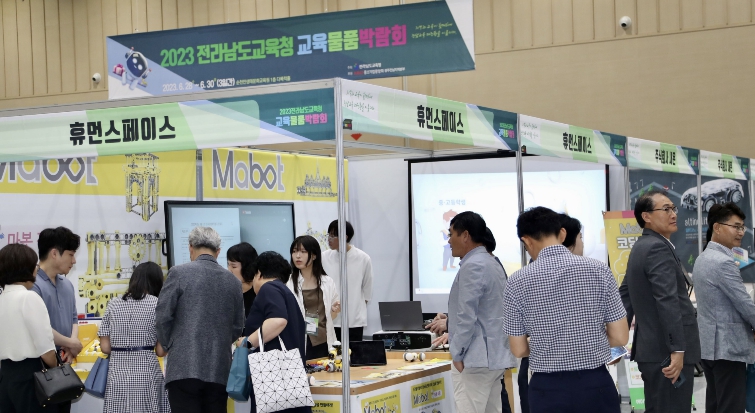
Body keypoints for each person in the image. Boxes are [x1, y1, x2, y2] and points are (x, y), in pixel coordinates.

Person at [504, 207, 627, 413]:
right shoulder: (600, 270)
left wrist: (549, 344)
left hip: (546, 389)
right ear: (562, 233)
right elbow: (620, 336)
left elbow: (518, 349)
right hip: (595, 384)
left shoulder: (516, 282)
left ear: (526, 241)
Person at [619, 190, 700, 413]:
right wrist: (677, 349)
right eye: (665, 209)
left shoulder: (641, 246)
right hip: (667, 354)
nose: (673, 214)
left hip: (652, 352)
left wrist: (616, 343)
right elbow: (667, 301)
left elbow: (625, 295)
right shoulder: (656, 248)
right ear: (646, 216)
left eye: (673, 208)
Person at [156, 226, 245, 413]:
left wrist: (170, 344)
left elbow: (163, 316)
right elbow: (238, 326)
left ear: (190, 247)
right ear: (218, 251)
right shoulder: (234, 282)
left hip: (183, 367)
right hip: (219, 368)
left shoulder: (178, 273)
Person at [446, 212, 511, 413]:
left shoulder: (473, 265)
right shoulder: (492, 262)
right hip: (493, 357)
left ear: (465, 235)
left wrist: (457, 353)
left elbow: (467, 316)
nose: (449, 240)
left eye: (451, 234)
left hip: (475, 359)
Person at [693, 203, 755, 413]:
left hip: (710, 347)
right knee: (730, 406)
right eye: (735, 226)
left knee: (716, 404)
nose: (740, 232)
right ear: (717, 227)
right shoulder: (723, 262)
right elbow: (744, 304)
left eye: (742, 227)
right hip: (728, 348)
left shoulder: (702, 258)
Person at [99, 261, 170, 413]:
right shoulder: (157, 304)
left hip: (117, 375)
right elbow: (160, 351)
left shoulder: (113, 304)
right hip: (147, 375)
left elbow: (105, 347)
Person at [245, 251, 311, 413]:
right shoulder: (285, 292)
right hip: (290, 379)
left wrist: (248, 342)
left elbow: (278, 320)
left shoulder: (268, 289)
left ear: (259, 273)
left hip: (272, 379)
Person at [0, 244, 58, 413]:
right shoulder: (29, 298)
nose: (37, 269)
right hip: (31, 379)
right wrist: (56, 367)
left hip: (5, 378)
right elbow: (46, 351)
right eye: (35, 265)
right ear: (27, 269)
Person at [32, 227, 82, 413]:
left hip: (65, 366)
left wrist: (71, 344)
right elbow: (40, 328)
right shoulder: (33, 286)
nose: (74, 260)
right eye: (71, 254)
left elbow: (74, 318)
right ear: (54, 253)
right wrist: (72, 343)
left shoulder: (67, 284)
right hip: (41, 368)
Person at [286, 235, 341, 359]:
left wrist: (335, 310)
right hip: (299, 342)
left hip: (324, 340)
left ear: (314, 255)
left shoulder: (327, 282)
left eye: (303, 251)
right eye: (294, 251)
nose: (298, 256)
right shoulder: (288, 283)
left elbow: (331, 316)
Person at [321, 220, 373, 342]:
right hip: (331, 320)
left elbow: (367, 290)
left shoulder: (363, 258)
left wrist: (355, 309)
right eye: (328, 235)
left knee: (354, 353)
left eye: (333, 236)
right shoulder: (324, 257)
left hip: (354, 321)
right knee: (331, 353)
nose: (329, 239)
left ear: (345, 237)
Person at [227, 242, 259, 318]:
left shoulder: (259, 290)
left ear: (247, 266)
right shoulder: (228, 289)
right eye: (228, 265)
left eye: (234, 266)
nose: (229, 270)